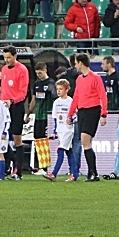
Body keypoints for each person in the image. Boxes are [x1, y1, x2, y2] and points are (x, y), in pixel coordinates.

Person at [67, 53, 107, 182]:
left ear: (80, 63)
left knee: (85, 139)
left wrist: (103, 113)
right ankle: (93, 172)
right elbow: (76, 97)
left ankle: (93, 172)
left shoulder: (95, 78)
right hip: (82, 111)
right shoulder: (79, 79)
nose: (75, 66)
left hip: (92, 110)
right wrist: (70, 113)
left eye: (76, 63)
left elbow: (103, 95)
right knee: (86, 142)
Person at [0, 46, 30, 179]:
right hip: (4, 107)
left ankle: (18, 172)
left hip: (16, 106)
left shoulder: (22, 70)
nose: (6, 60)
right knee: (2, 139)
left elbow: (23, 93)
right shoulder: (4, 69)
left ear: (15, 56)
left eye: (9, 57)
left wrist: (11, 101)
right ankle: (7, 168)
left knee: (17, 140)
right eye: (5, 58)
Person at [46, 79, 75, 182]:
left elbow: (75, 115)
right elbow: (55, 118)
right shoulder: (56, 102)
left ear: (67, 89)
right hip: (60, 130)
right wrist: (54, 131)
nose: (58, 91)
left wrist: (72, 120)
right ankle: (74, 174)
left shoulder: (71, 101)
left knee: (60, 150)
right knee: (69, 152)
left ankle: (54, 173)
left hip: (68, 130)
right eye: (57, 89)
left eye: (61, 89)